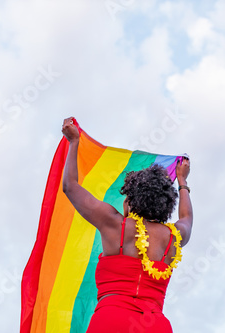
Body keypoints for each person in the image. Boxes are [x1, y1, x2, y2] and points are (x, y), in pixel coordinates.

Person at [61, 117, 192, 332]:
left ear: (130, 201)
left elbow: (70, 186)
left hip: (112, 321)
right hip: (154, 326)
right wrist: (183, 181)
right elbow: (187, 218)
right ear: (167, 204)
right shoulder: (174, 236)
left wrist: (73, 142)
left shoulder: (115, 225)